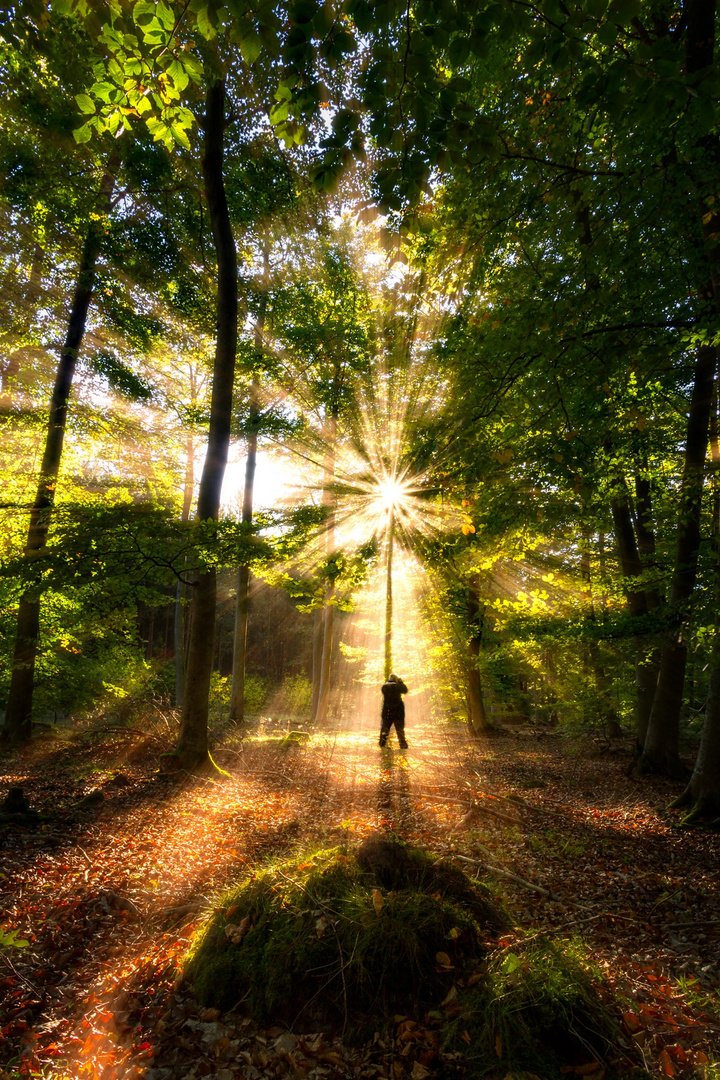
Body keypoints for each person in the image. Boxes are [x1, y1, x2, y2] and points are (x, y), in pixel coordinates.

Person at [379, 673, 409, 748]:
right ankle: (403, 744)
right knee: (399, 728)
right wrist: (401, 682)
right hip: (398, 711)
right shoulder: (398, 687)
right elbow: (405, 690)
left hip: (387, 711)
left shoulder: (384, 687)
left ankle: (382, 743)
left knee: (385, 727)